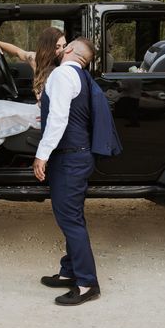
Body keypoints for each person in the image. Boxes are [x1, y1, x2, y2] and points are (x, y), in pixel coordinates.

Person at [32, 37, 101, 306]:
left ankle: (87, 284)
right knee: (72, 217)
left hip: (69, 159)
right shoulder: (80, 76)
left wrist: (42, 154)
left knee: (70, 221)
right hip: (79, 156)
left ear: (70, 50)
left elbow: (58, 118)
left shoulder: (62, 74)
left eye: (65, 45)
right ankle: (69, 271)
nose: (60, 48)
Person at [0, 26, 67, 100]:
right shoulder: (34, 58)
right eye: (57, 47)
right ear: (47, 47)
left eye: (64, 46)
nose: (62, 50)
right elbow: (17, 52)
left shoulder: (65, 64)